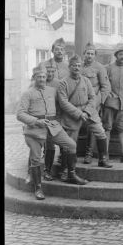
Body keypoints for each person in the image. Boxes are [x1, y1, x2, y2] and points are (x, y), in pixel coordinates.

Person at [16, 66, 79, 199]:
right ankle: (38, 187)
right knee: (36, 159)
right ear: (34, 78)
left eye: (44, 77)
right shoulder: (28, 93)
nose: (42, 79)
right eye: (39, 77)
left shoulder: (52, 91)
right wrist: (35, 121)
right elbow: (20, 114)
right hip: (34, 129)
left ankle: (71, 174)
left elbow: (64, 102)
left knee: (71, 145)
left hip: (52, 125)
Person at [57, 54, 110, 180]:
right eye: (74, 65)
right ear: (69, 67)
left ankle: (102, 159)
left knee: (101, 132)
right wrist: (79, 114)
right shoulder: (63, 83)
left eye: (79, 66)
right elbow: (63, 102)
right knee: (69, 143)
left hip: (88, 111)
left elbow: (93, 97)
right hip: (72, 114)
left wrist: (86, 111)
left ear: (81, 67)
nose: (77, 68)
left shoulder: (85, 80)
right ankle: (65, 170)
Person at [80, 43, 112, 167]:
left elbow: (105, 87)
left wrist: (97, 102)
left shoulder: (100, 68)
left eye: (92, 53)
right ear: (84, 54)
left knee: (92, 128)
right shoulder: (79, 67)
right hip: (79, 103)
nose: (89, 56)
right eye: (87, 53)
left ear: (95, 56)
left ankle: (90, 153)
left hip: (94, 103)